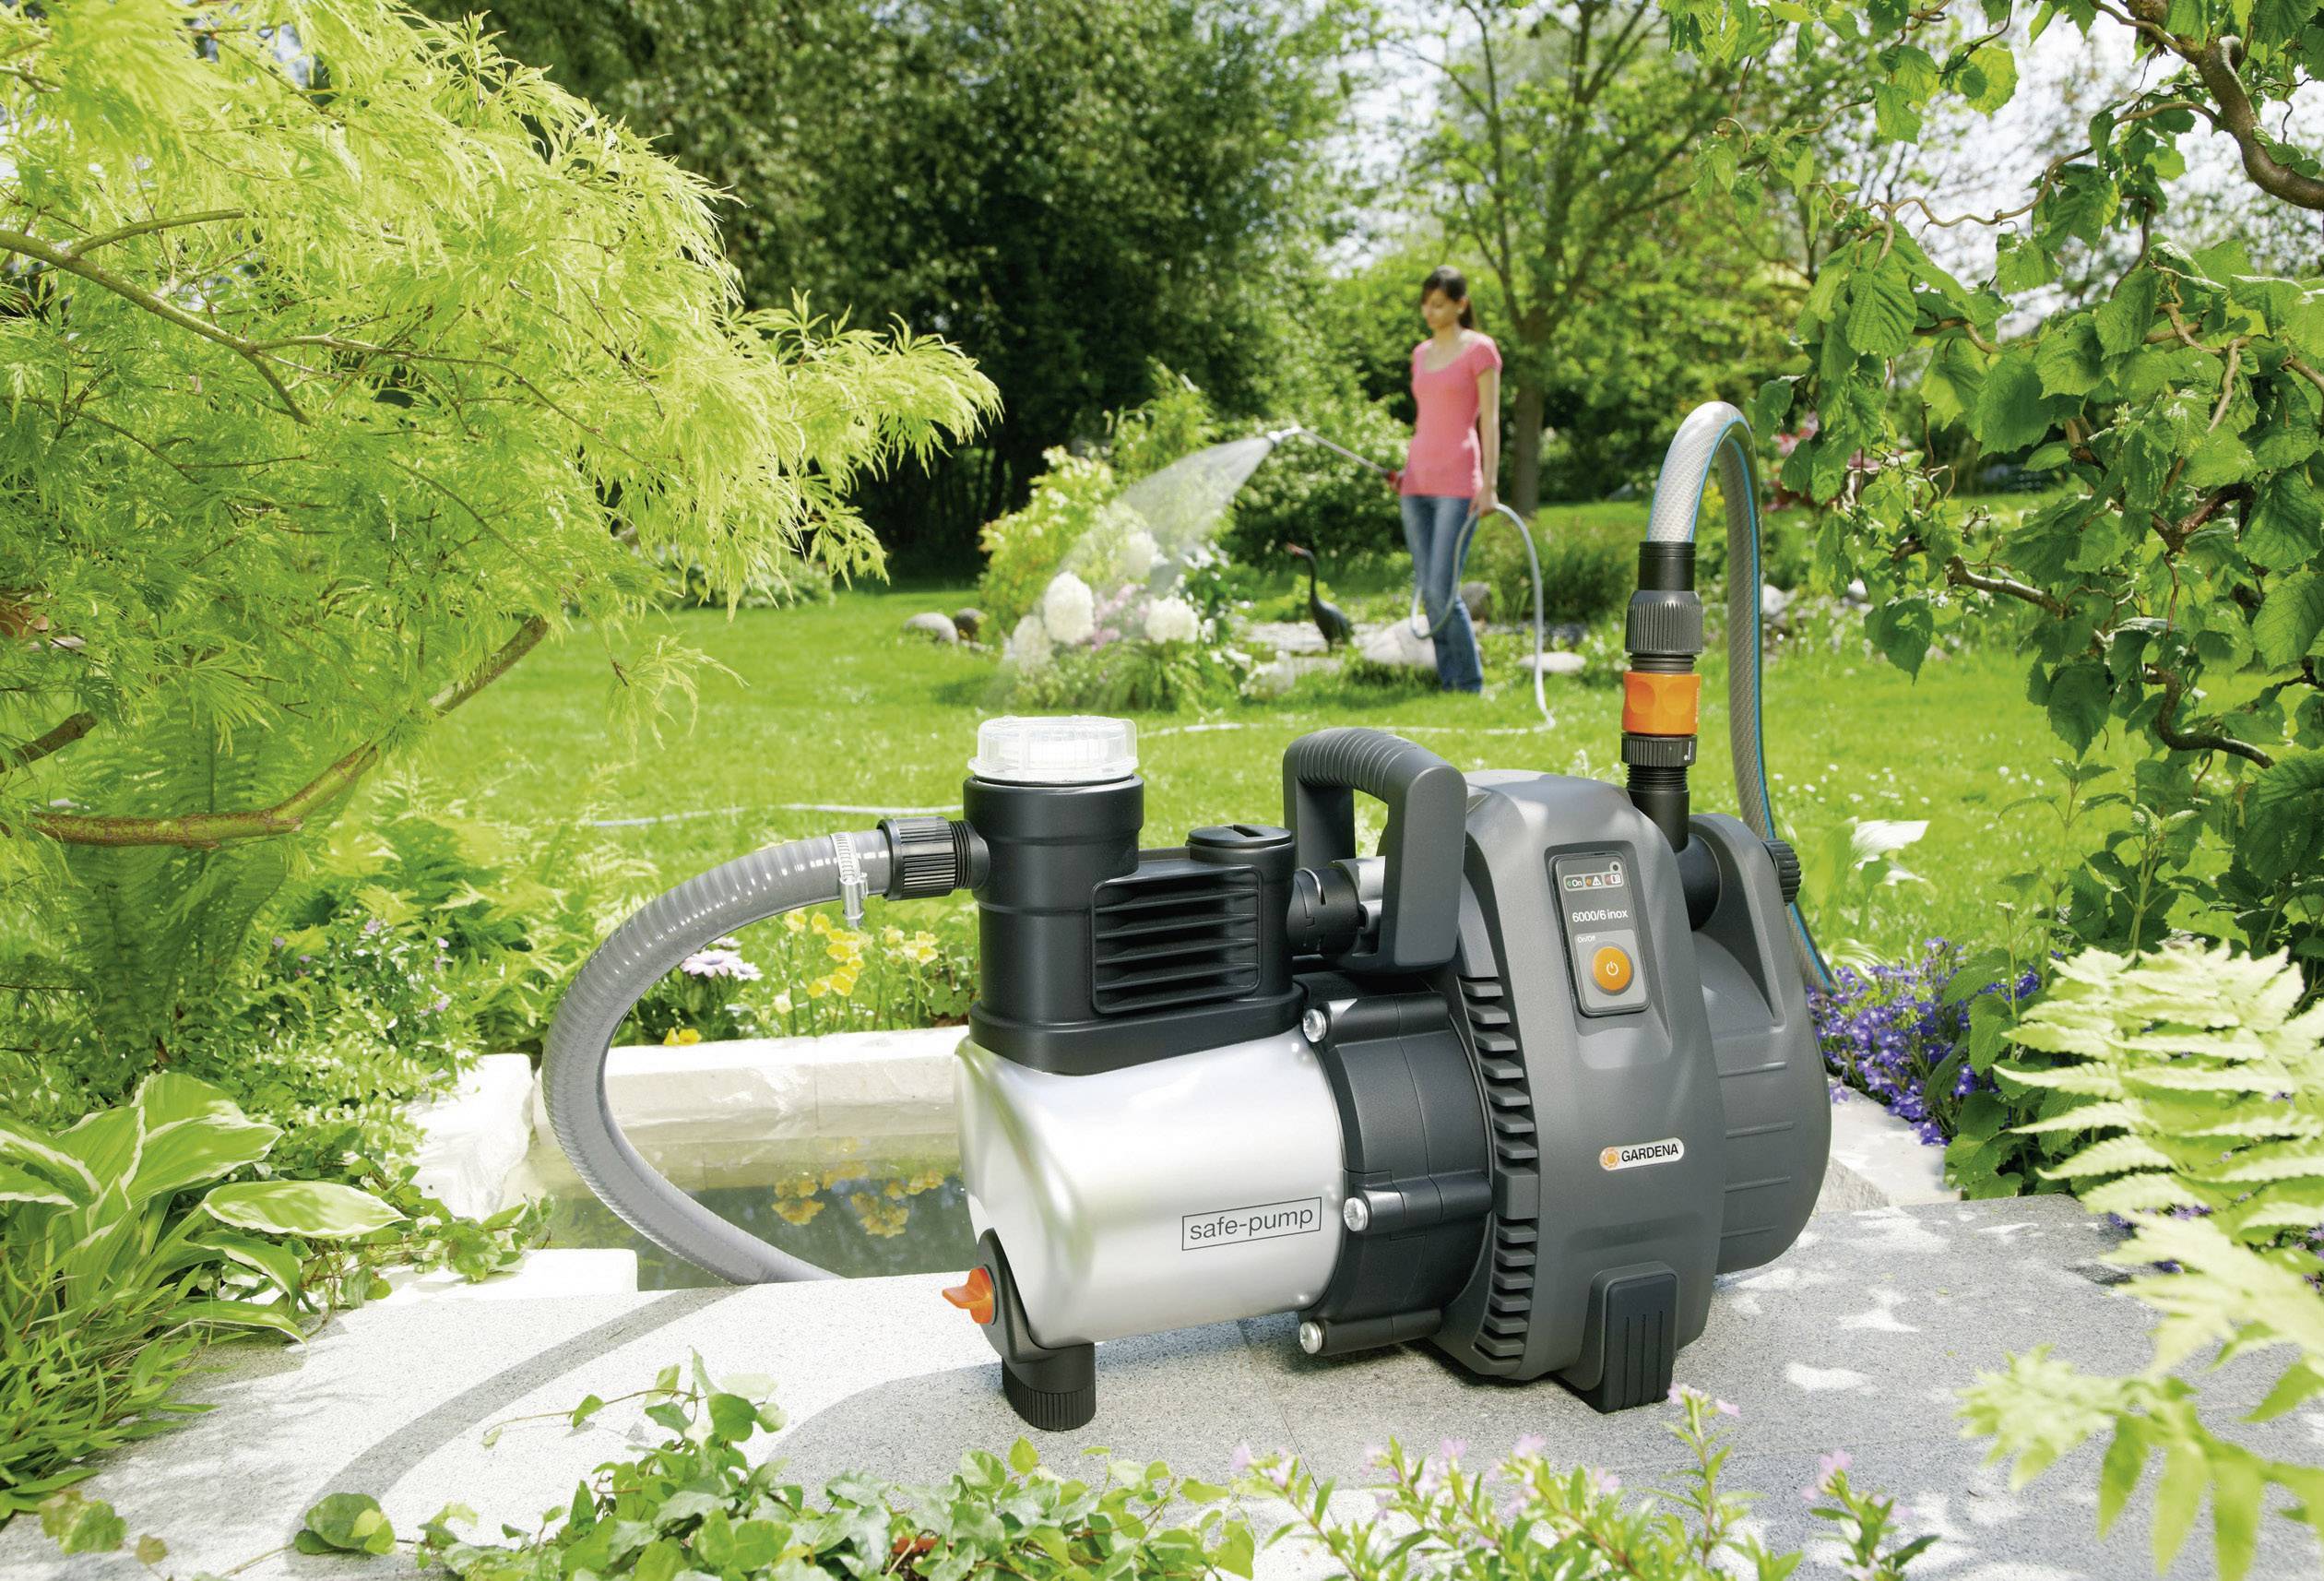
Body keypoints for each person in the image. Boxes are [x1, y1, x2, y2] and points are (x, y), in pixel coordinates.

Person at [1391, 265, 1500, 694]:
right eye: (1426, 304)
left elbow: (1489, 420)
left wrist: (1488, 483)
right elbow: (1426, 420)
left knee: (1442, 587)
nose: (1430, 311)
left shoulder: (1481, 350)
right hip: (1416, 481)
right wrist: (1405, 472)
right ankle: (1449, 682)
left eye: (1439, 304)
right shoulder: (1420, 354)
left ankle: (1469, 684)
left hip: (1459, 483)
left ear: (1461, 304)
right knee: (1430, 591)